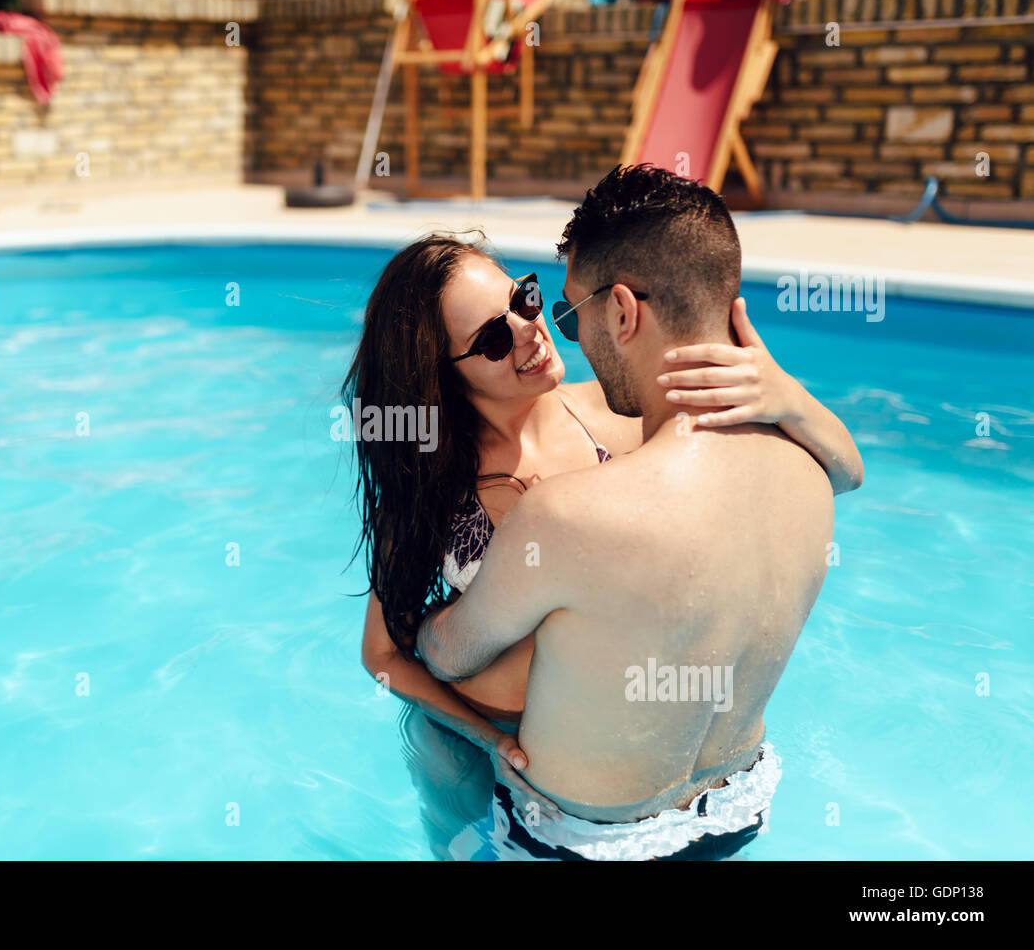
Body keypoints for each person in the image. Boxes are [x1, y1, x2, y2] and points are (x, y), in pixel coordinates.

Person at [344, 202, 862, 856]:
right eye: (494, 341)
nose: (531, 332)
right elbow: (385, 656)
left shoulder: (611, 416)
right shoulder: (433, 489)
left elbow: (837, 471)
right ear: (443, 380)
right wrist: (486, 737)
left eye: (525, 301)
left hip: (613, 771)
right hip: (479, 750)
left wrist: (788, 395)